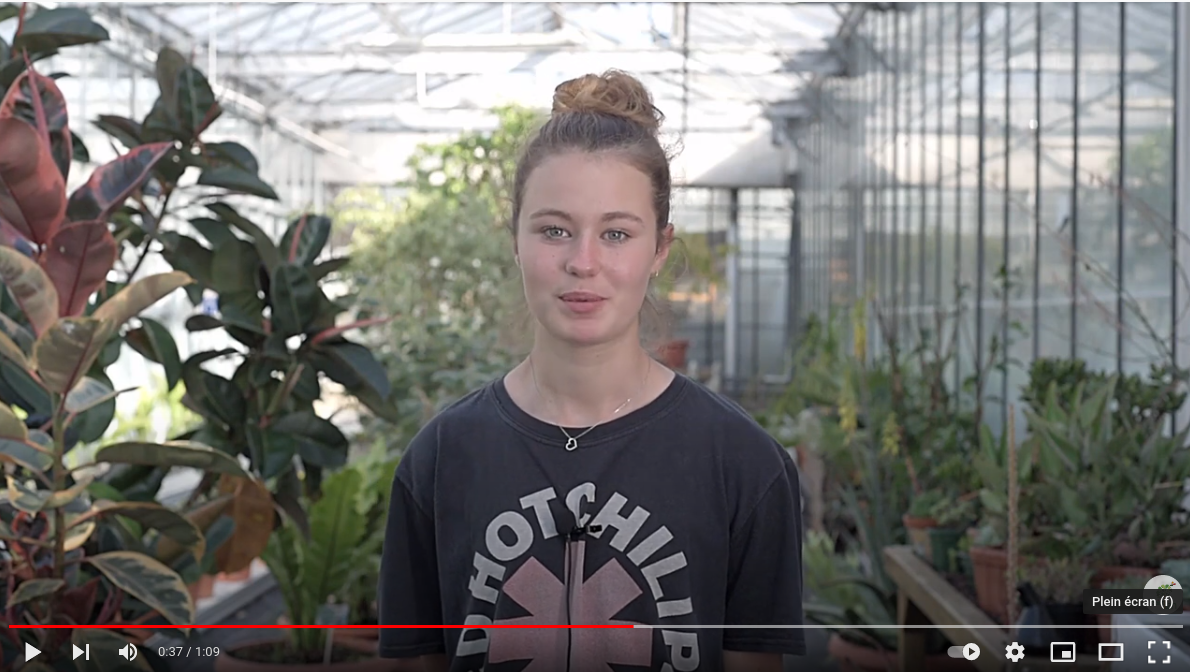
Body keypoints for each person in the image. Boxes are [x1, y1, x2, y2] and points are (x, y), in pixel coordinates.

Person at [378, 69, 804, 672]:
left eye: (616, 233)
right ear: (515, 241)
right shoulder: (441, 460)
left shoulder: (744, 466)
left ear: (659, 249)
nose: (583, 262)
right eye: (554, 230)